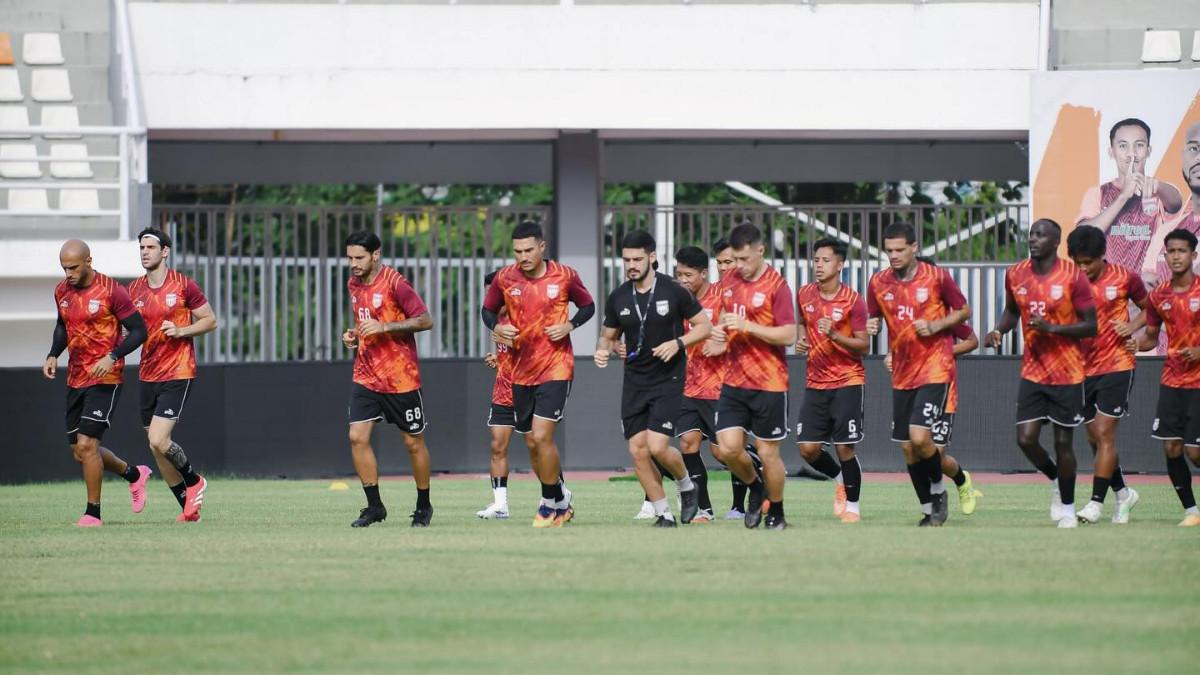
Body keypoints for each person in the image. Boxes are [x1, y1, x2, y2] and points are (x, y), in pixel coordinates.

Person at [482, 221, 595, 528]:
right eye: (517, 251)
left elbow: (588, 306)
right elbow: (488, 310)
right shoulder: (505, 278)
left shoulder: (566, 275)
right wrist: (497, 328)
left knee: (543, 435)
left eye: (529, 250)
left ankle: (548, 504)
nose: (523, 256)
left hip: (556, 367)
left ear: (542, 247)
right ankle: (560, 499)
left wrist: (569, 325)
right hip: (519, 372)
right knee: (532, 442)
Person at [986, 218, 1097, 529]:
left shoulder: (1073, 275)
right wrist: (998, 330)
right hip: (1033, 370)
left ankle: (1068, 509)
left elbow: (1091, 325)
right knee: (1026, 439)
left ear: (1055, 242)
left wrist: (1052, 328)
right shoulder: (1016, 273)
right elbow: (1012, 311)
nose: (1033, 239)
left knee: (1064, 443)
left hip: (1067, 373)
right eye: (1031, 234)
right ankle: (1054, 480)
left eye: (1040, 235)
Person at [596, 231, 711, 526]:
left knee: (658, 447)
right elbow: (608, 336)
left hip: (668, 379)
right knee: (637, 450)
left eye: (637, 259)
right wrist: (603, 351)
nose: (631, 265)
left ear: (652, 257)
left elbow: (704, 326)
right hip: (635, 382)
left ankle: (686, 486)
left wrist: (679, 343)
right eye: (626, 260)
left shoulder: (674, 290)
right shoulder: (619, 296)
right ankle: (663, 514)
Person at [867, 223, 971, 527]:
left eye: (900, 250)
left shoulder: (936, 276)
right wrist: (872, 326)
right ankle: (927, 509)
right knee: (907, 448)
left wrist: (937, 326)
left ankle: (939, 492)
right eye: (889, 251)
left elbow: (964, 311)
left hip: (936, 367)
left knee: (919, 436)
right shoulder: (878, 282)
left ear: (915, 247)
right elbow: (874, 317)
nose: (894, 256)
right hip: (902, 372)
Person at [43, 239, 150, 527]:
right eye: (64, 268)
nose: (68, 273)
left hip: (106, 378)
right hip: (75, 377)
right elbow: (62, 326)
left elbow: (140, 331)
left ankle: (93, 513)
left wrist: (112, 356)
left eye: (74, 267)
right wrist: (54, 354)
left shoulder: (112, 290)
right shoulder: (61, 291)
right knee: (80, 451)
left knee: (88, 445)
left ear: (89, 261)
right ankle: (134, 474)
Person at [341, 231, 436, 528]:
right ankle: (375, 506)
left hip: (400, 378)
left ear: (376, 255)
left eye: (359, 257)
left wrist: (383, 327)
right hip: (366, 375)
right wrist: (354, 336)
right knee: (357, 437)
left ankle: (423, 504)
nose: (354, 264)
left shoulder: (396, 283)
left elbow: (425, 320)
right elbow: (364, 323)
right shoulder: (354, 284)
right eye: (350, 258)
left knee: (413, 443)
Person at [708, 223, 797, 530]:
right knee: (727, 448)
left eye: (744, 259)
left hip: (769, 383)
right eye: (735, 259)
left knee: (768, 453)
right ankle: (756, 486)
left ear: (760, 251)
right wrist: (718, 334)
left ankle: (778, 511)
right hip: (734, 380)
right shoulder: (730, 281)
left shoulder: (777, 286)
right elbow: (723, 318)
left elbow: (788, 334)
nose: (739, 266)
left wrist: (748, 327)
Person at [127, 228, 217, 523]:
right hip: (147, 373)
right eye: (141, 247)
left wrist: (182, 330)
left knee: (158, 438)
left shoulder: (183, 285)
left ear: (165, 251)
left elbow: (210, 320)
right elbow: (129, 330)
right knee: (155, 447)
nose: (144, 252)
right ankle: (187, 509)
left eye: (150, 247)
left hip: (178, 370)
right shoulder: (133, 290)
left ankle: (194, 481)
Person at [1067, 225, 1147, 524]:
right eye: (1078, 262)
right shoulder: (1069, 282)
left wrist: (1133, 327)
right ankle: (1124, 494)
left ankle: (1095, 504)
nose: (1083, 268)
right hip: (1081, 367)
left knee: (1103, 432)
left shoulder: (1125, 277)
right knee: (1093, 437)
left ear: (1103, 255)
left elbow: (1150, 308)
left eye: (1088, 262)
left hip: (1117, 363)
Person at [793, 238, 869, 523]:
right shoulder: (804, 294)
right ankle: (839, 477)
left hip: (847, 381)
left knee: (845, 447)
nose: (819, 266)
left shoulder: (853, 301)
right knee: (807, 449)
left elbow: (864, 346)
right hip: (815, 382)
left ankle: (853, 507)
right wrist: (802, 339)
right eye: (816, 260)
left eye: (826, 260)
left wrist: (835, 335)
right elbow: (802, 322)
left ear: (840, 265)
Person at [1135, 228, 1200, 527]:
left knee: (1194, 452)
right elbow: (1149, 338)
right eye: (1171, 251)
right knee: (1171, 448)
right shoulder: (1158, 295)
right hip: (1172, 380)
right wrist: (1129, 344)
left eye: (1181, 251)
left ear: (1193, 255)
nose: (1176, 256)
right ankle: (1191, 512)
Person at [1076, 118, 1183, 274]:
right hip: (1108, 289)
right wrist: (1123, 196)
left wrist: (1157, 186)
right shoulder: (1098, 193)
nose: (1131, 154)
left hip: (1149, 290)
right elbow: (1083, 236)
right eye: (1123, 146)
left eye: (1139, 145)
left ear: (1148, 150)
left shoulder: (1157, 191)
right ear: (1111, 152)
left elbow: (1176, 203)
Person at [669, 245, 727, 522]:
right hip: (687, 386)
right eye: (678, 274)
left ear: (704, 274)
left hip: (720, 387)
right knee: (688, 445)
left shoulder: (723, 298)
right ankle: (703, 508)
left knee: (724, 451)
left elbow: (741, 336)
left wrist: (723, 342)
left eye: (688, 275)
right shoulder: (676, 302)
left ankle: (760, 482)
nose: (682, 280)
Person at [709, 238, 763, 520]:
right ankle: (760, 472)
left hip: (748, 377)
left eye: (729, 261)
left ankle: (739, 506)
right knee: (721, 450)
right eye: (719, 262)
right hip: (713, 380)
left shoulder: (752, 291)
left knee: (733, 446)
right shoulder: (713, 291)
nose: (723, 267)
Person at [1143, 122, 1200, 287]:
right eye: (1194, 149)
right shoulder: (1166, 230)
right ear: (1183, 157)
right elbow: (1146, 288)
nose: (1198, 157)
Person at [477, 271, 514, 520]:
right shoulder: (495, 321)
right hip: (503, 391)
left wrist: (511, 344)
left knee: (541, 446)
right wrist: (499, 358)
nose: (492, 296)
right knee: (497, 446)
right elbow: (508, 355)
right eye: (489, 291)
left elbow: (540, 352)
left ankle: (558, 495)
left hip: (530, 389)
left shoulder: (524, 315)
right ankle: (500, 505)